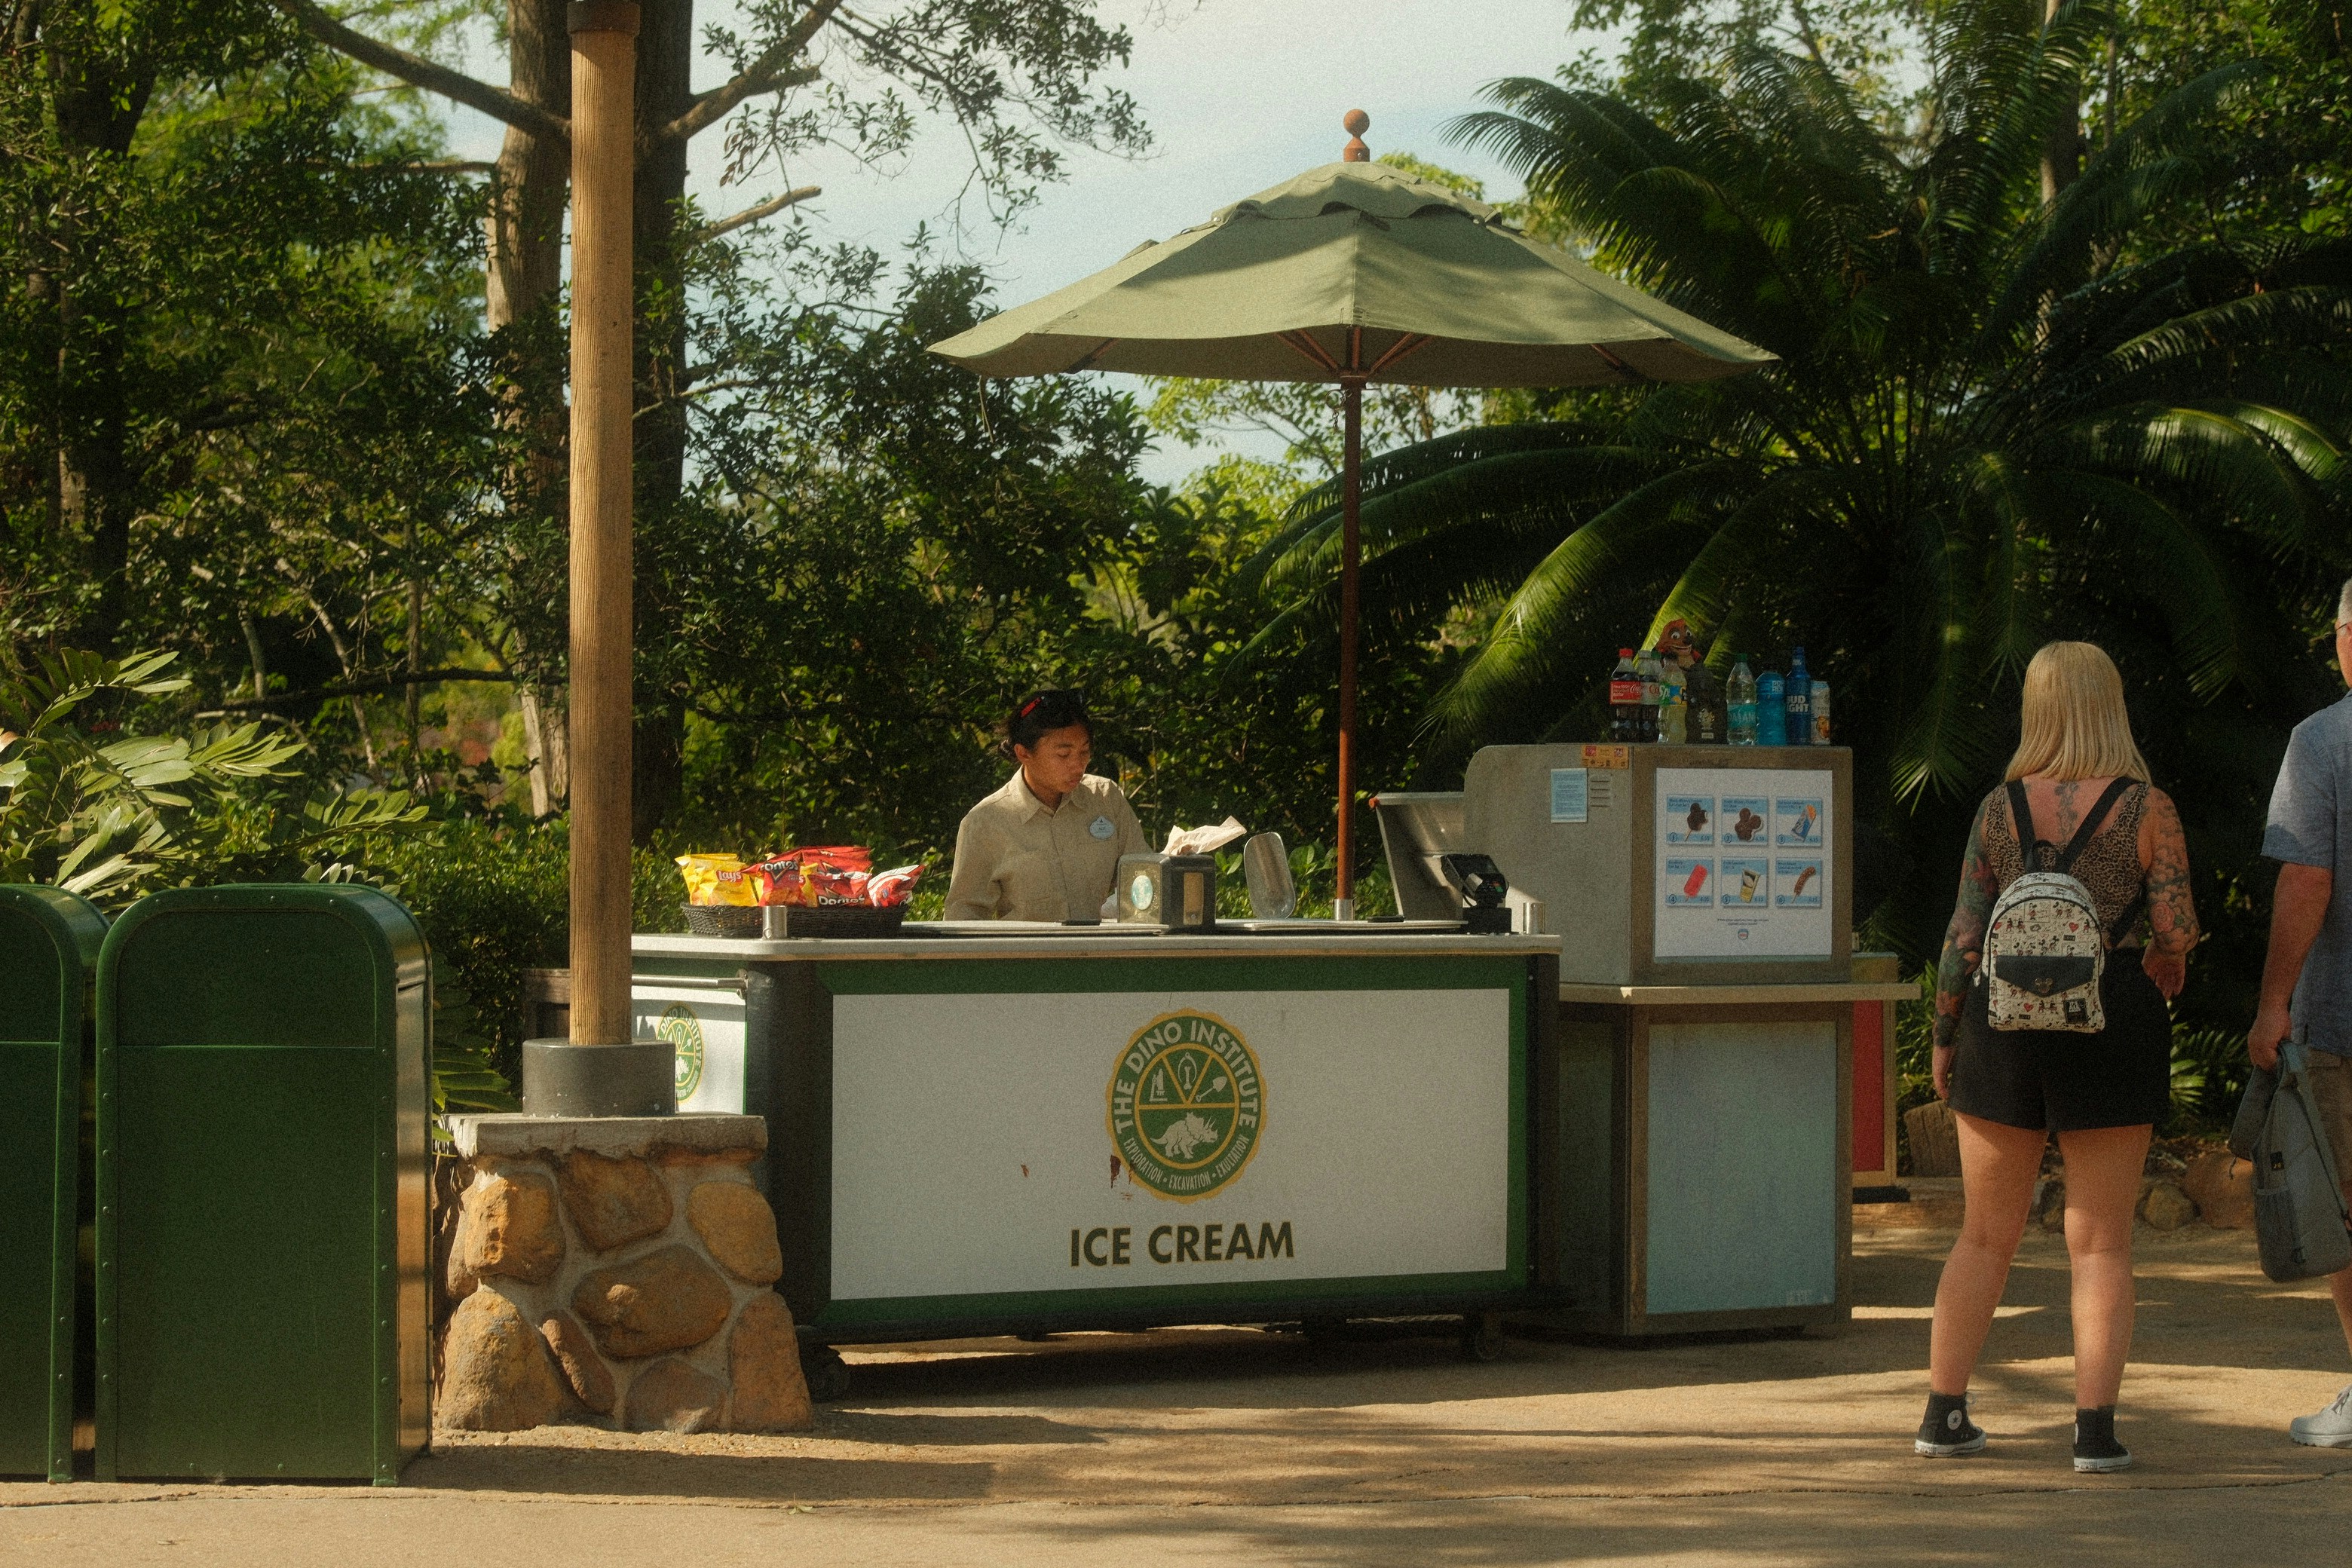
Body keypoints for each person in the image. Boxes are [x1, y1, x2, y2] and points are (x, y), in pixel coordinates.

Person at [1918, 641, 2199, 1473]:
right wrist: (2167, 957)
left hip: (2002, 1025)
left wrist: (1944, 1034)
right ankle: (2094, 1434)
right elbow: (2175, 928)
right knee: (2101, 1242)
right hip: (2110, 1020)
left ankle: (1943, 1414)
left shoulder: (1998, 809)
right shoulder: (2149, 808)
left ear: (2036, 708)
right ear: (2112, 706)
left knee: (1983, 1236)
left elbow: (1963, 935)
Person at [2247, 580, 2352, 1448]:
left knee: (2346, 1206)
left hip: (2343, 1022)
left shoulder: (2323, 741)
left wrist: (2273, 1002)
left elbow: (2309, 877)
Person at [945, 688, 1147, 922]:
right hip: (1027, 947)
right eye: (1063, 754)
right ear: (1023, 754)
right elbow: (963, 917)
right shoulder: (986, 823)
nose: (1078, 765)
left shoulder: (1105, 799)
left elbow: (1143, 877)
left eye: (1084, 751)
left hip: (1102, 945)